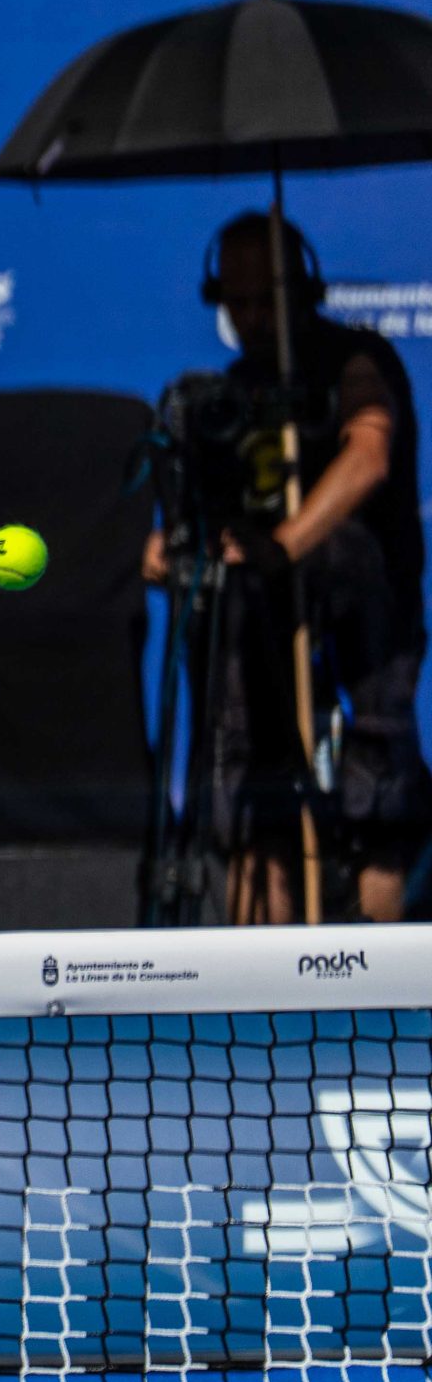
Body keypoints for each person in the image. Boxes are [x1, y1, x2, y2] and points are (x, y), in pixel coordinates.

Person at [145, 212, 430, 922]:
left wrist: (286, 542)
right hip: (265, 625)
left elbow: (368, 455)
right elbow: (212, 512)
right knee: (249, 788)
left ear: (301, 291)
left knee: (377, 796)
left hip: (366, 614)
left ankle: (380, 965)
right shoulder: (232, 388)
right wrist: (173, 543)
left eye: (262, 301)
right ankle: (262, 969)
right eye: (235, 303)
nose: (249, 319)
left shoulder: (356, 360)